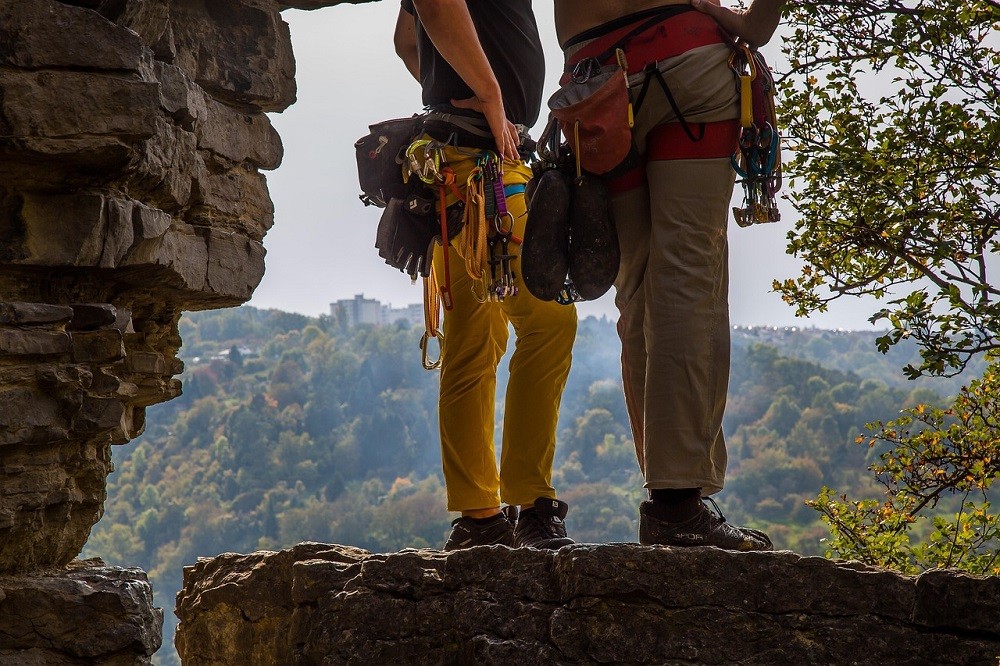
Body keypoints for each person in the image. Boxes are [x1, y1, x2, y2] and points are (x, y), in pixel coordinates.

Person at [550, 0, 785, 550]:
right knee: (686, 278)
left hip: (594, 85)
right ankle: (677, 501)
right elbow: (761, 22)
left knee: (636, 288)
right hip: (689, 63)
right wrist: (751, 27)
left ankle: (669, 491)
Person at [393, 0, 578, 550]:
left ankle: (480, 516)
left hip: (467, 157)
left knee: (477, 337)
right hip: (482, 159)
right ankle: (528, 505)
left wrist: (463, 88)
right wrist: (492, 97)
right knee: (547, 322)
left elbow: (408, 40)